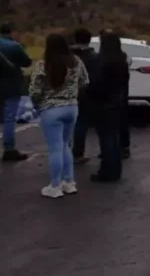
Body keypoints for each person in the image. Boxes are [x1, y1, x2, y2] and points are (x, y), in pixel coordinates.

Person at [28, 33, 89, 198]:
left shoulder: (43, 65)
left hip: (51, 109)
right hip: (72, 107)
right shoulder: (76, 62)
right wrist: (73, 94)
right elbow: (85, 82)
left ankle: (55, 186)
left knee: (55, 148)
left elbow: (34, 91)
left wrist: (37, 105)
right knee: (65, 145)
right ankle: (69, 182)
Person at [91, 31, 130, 182]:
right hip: (118, 102)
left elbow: (97, 84)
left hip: (103, 103)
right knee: (114, 138)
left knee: (106, 139)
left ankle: (106, 171)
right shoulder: (122, 60)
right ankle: (115, 170)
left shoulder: (102, 61)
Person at [0, 22, 32, 162]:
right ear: (12, 32)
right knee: (9, 118)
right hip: (10, 86)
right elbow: (27, 62)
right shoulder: (13, 46)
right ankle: (9, 149)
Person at [71, 28, 101, 164]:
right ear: (89, 40)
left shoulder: (65, 54)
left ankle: (61, 152)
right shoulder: (93, 57)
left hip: (62, 93)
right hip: (84, 95)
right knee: (81, 123)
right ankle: (77, 153)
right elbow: (95, 78)